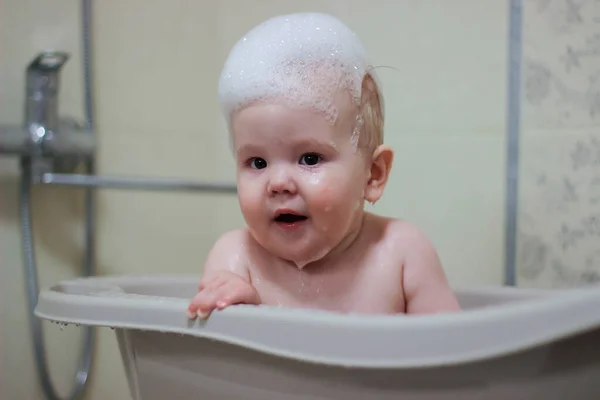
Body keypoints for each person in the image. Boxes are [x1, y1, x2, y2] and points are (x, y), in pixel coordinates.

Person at [187, 12, 461, 319]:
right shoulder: (235, 258)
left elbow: (449, 350)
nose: (278, 183)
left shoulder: (403, 254)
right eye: (258, 162)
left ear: (374, 174)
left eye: (309, 158)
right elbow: (215, 358)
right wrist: (238, 313)